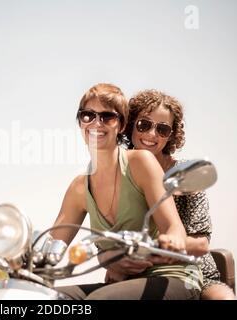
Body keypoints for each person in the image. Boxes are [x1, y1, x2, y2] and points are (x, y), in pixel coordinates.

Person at [51, 83, 202, 300]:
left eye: (107, 117)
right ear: (80, 122)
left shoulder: (141, 162)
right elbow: (50, 246)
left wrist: (171, 242)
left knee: (99, 301)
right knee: (46, 299)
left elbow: (173, 227)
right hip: (124, 284)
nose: (96, 123)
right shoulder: (78, 188)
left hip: (172, 276)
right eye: (88, 115)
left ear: (121, 125)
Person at [122, 89, 235, 300]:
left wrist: (148, 251)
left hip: (195, 272)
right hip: (135, 275)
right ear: (130, 126)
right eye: (144, 124)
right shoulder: (119, 174)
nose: (152, 134)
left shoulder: (186, 173)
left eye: (162, 129)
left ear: (171, 135)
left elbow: (200, 244)